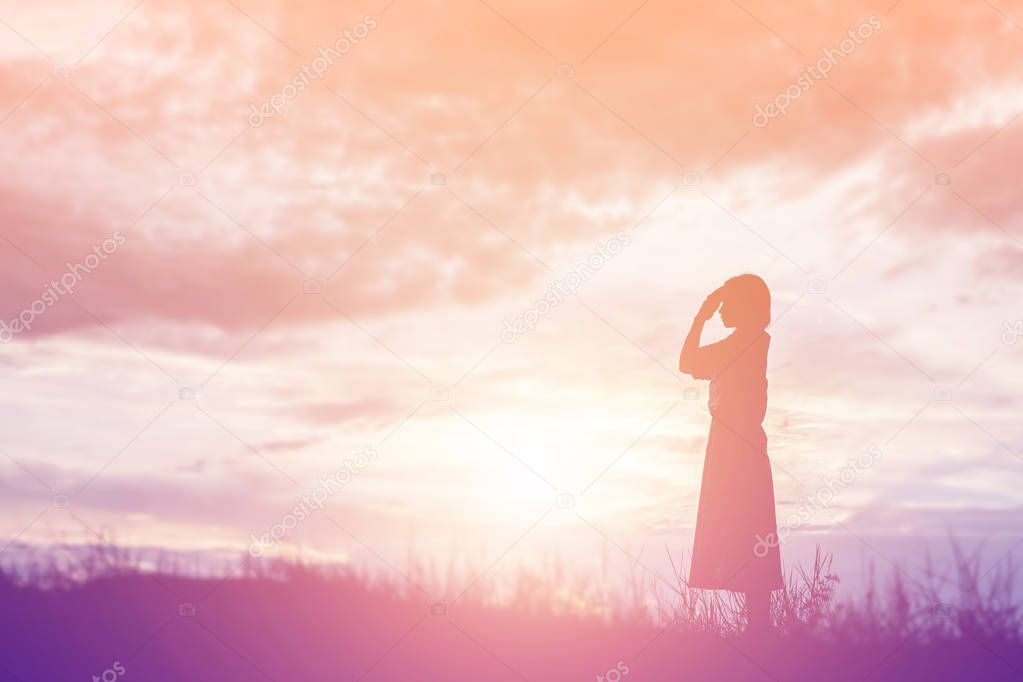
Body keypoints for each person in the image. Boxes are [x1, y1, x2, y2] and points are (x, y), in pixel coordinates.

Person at [678, 274, 783, 633]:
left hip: (737, 452)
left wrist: (700, 317)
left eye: (727, 303)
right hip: (736, 449)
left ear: (745, 305)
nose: (721, 309)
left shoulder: (745, 344)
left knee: (748, 534)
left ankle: (759, 634)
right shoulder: (745, 343)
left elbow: (688, 360)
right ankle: (759, 633)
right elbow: (689, 364)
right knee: (748, 536)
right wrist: (705, 314)